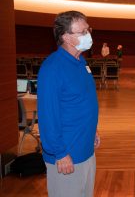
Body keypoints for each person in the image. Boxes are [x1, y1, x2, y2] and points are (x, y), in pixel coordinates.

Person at [37, 11, 100, 197]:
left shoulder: (81, 62)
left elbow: (81, 102)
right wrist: (60, 153)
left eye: (88, 30)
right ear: (66, 37)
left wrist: (93, 130)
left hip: (86, 149)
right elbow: (48, 116)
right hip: (66, 156)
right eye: (82, 32)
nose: (88, 35)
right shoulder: (52, 68)